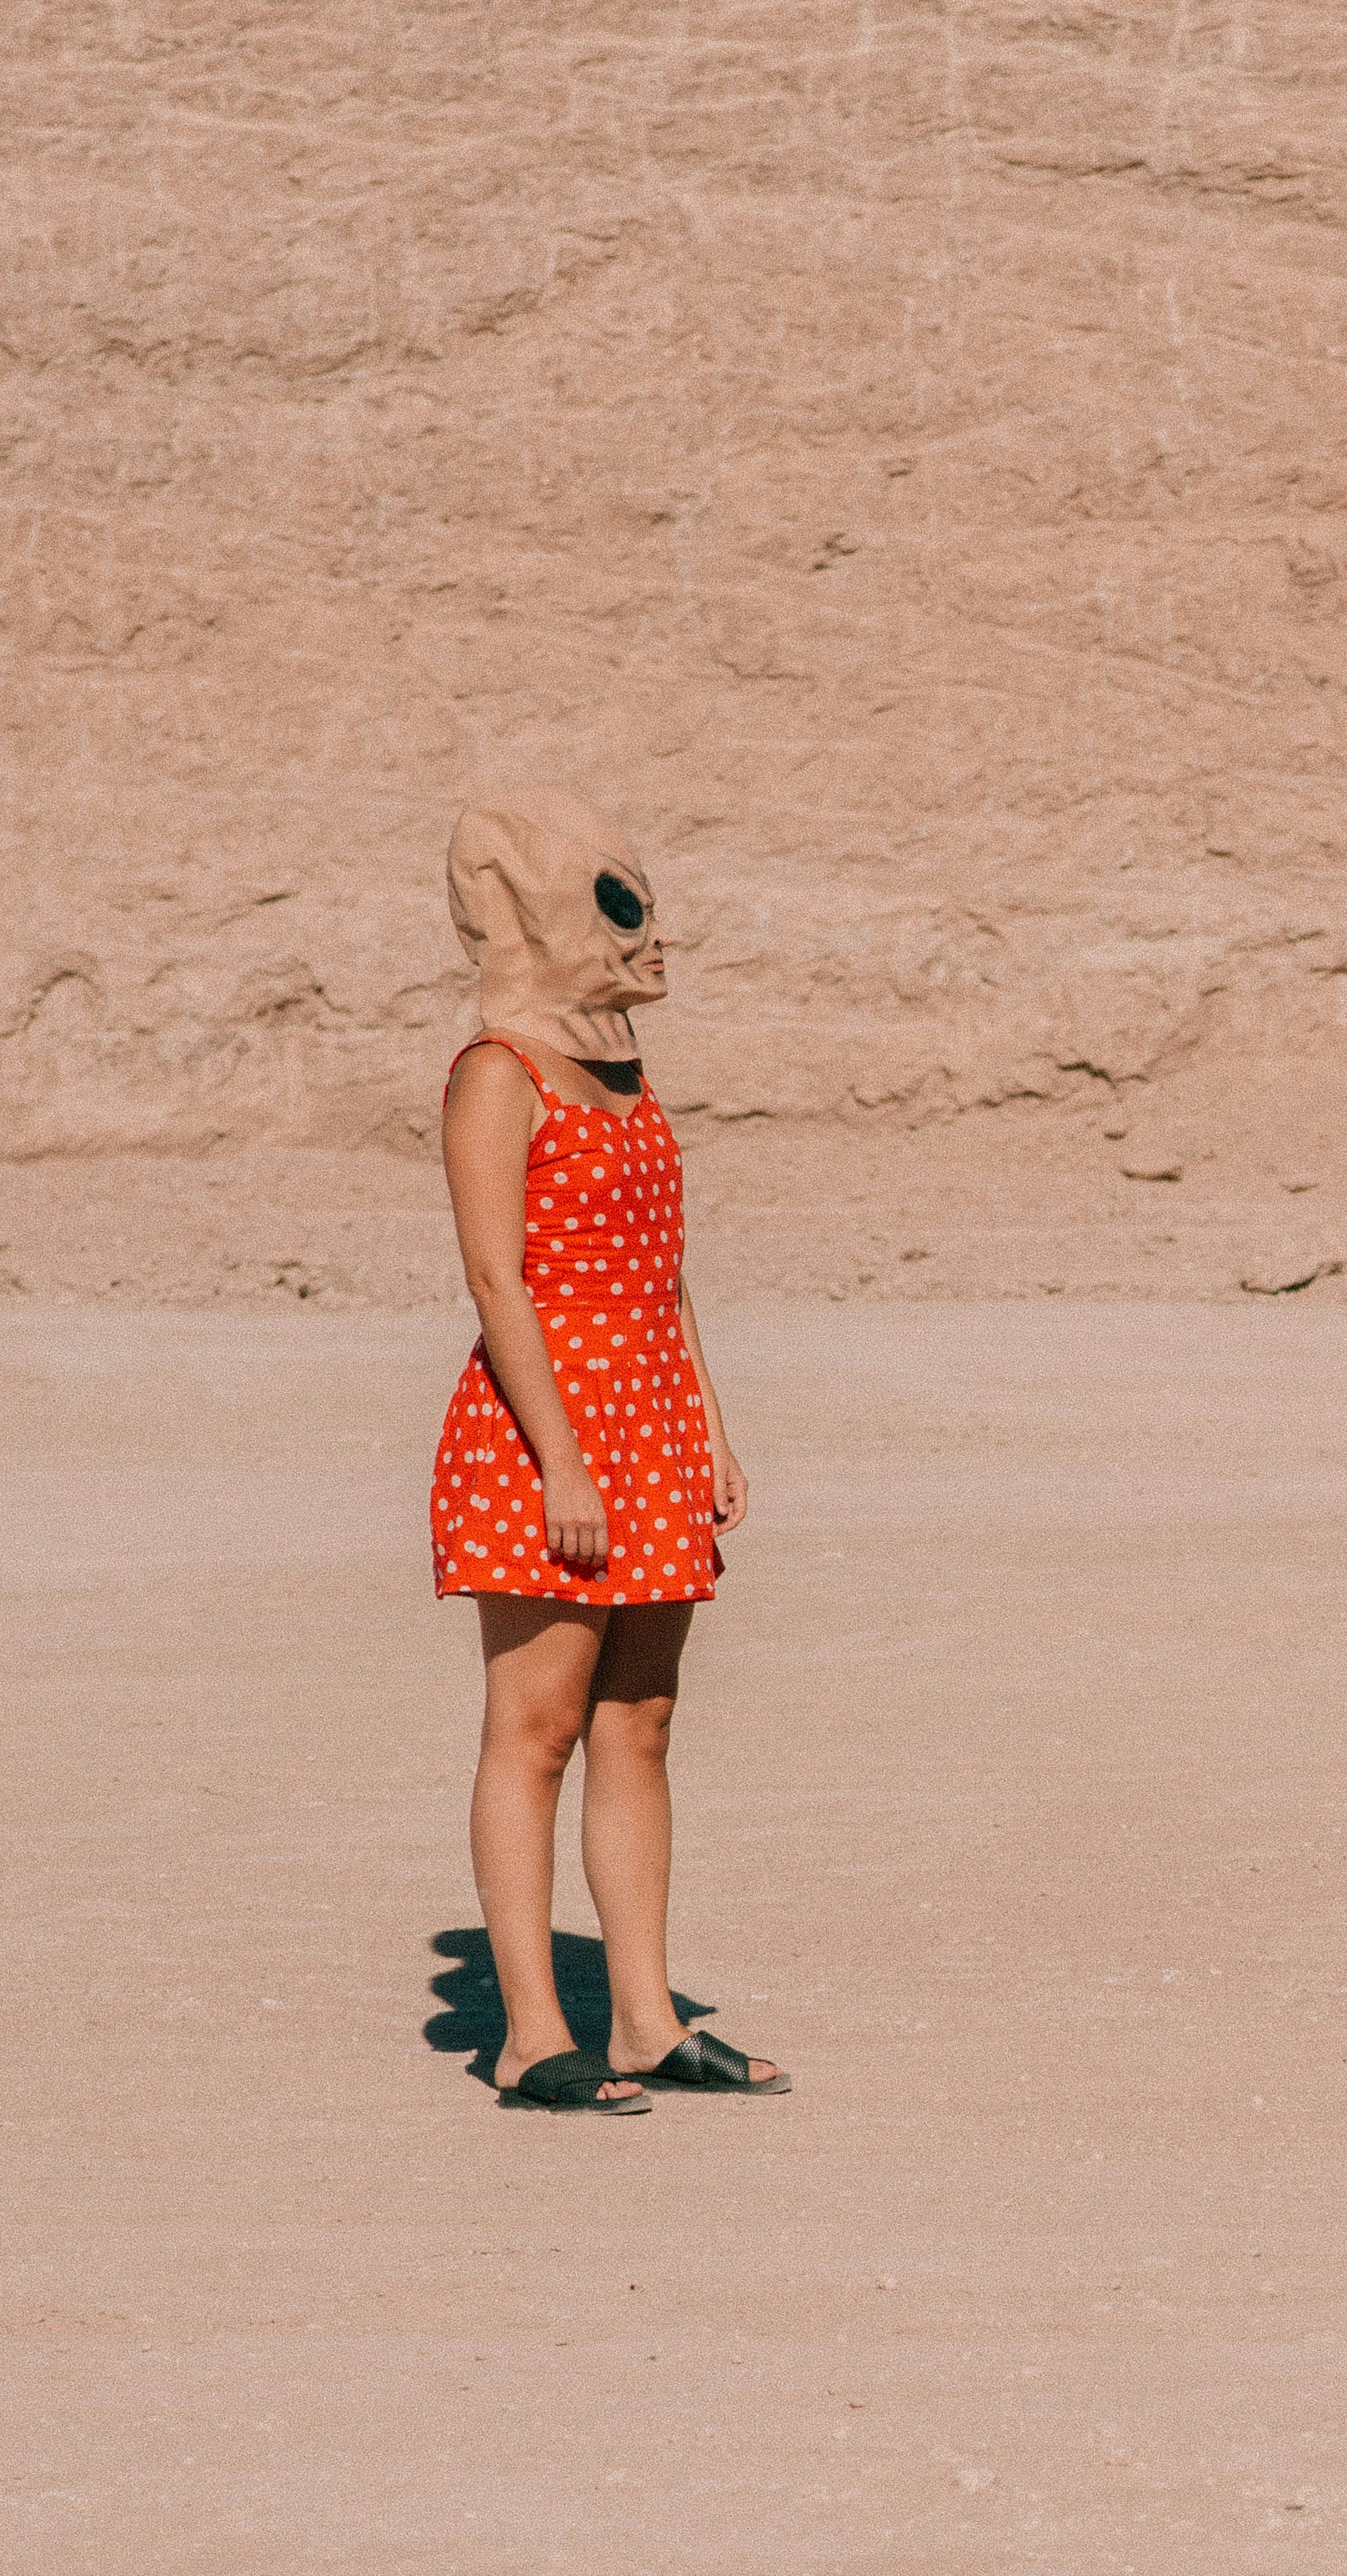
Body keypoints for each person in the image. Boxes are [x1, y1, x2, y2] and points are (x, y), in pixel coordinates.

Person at [428, 789, 786, 2112]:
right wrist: (565, 1463)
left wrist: (712, 1431)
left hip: (649, 1428)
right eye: (618, 906)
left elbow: (667, 1272)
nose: (650, 939)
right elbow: (495, 1280)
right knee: (535, 1730)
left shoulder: (624, 1072)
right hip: (545, 1436)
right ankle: (531, 2034)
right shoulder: (495, 1076)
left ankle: (642, 2018)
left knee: (640, 1722)